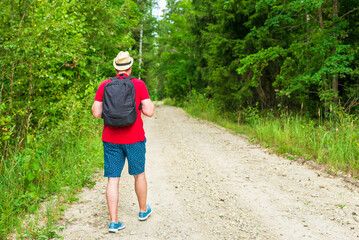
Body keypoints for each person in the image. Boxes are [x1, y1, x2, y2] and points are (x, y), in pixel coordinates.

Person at [91, 51, 155, 233]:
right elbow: (149, 112)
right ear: (130, 67)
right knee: (139, 174)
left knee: (113, 178)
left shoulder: (104, 85)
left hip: (110, 139)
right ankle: (143, 211)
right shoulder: (138, 84)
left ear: (115, 67)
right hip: (134, 138)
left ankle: (114, 222)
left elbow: (96, 113)